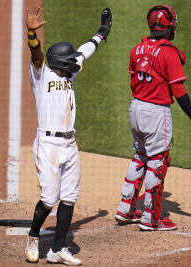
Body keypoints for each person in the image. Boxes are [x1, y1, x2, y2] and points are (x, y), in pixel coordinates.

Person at [24, 7, 112, 265]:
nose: (75, 60)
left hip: (70, 143)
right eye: (70, 58)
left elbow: (85, 50)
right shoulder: (41, 76)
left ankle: (57, 250)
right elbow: (36, 54)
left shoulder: (70, 73)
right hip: (48, 144)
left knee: (70, 197)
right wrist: (31, 32)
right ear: (61, 61)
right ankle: (32, 236)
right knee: (49, 198)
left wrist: (102, 32)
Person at [114, 5, 191, 231]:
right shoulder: (169, 52)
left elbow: (133, 80)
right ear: (170, 26)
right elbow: (179, 90)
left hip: (135, 107)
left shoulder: (137, 49)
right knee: (158, 161)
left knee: (140, 156)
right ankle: (151, 218)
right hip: (156, 112)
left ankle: (126, 208)